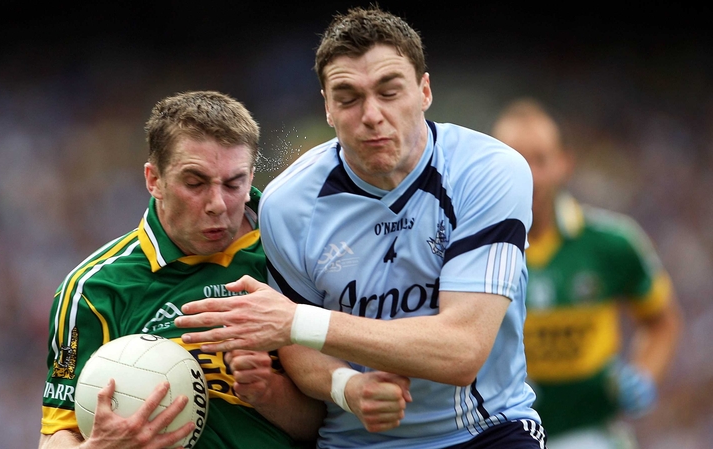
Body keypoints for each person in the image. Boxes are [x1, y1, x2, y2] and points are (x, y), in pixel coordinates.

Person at [174, 7, 546, 448]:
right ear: (328, 108)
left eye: (389, 92)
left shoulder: (488, 171)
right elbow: (298, 347)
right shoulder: (287, 204)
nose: (371, 115)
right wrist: (346, 387)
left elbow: (462, 350)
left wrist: (298, 321)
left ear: (424, 91)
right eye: (348, 98)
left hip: (484, 430)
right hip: (354, 440)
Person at [39, 90, 325, 449]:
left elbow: (327, 425)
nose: (217, 204)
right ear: (154, 180)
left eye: (234, 183)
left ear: (251, 175)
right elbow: (56, 434)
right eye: (195, 183)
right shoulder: (94, 289)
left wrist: (268, 390)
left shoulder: (294, 254)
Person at [490, 98, 684, 448]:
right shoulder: (471, 250)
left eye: (540, 160)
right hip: (503, 434)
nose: (528, 176)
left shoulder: (612, 243)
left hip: (591, 431)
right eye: (514, 160)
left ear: (564, 163)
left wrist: (644, 374)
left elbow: (662, 320)